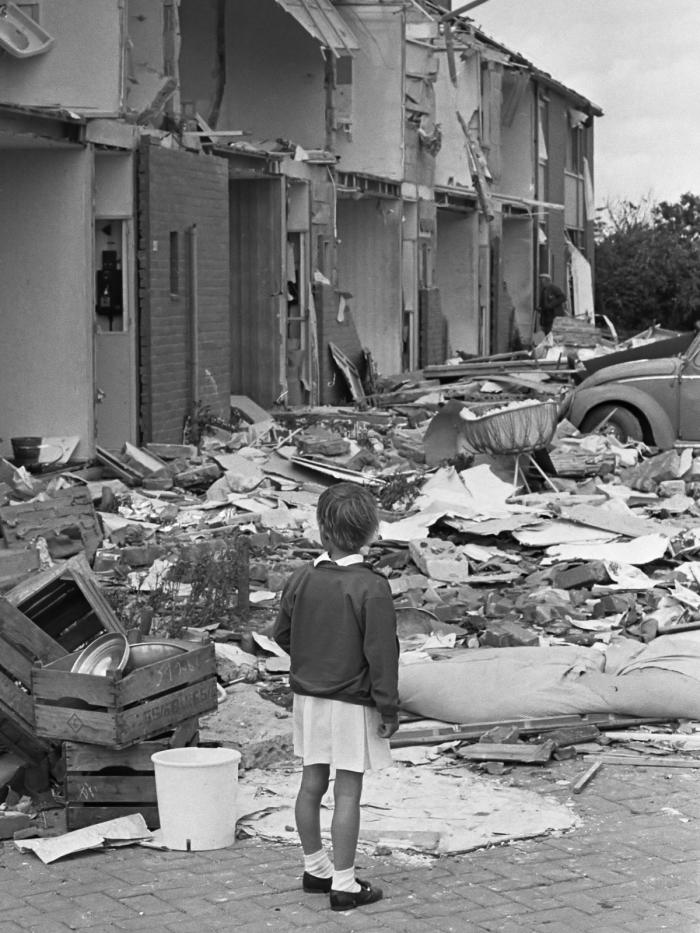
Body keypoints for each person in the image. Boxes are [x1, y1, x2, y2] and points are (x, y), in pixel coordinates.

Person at [273, 482, 399, 912]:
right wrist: (388, 707)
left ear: (321, 531)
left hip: (308, 699)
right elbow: (381, 655)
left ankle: (315, 867)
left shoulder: (302, 577)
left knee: (311, 785)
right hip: (351, 702)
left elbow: (281, 634)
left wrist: (311, 660)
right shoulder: (372, 587)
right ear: (371, 532)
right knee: (348, 793)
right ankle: (344, 883)